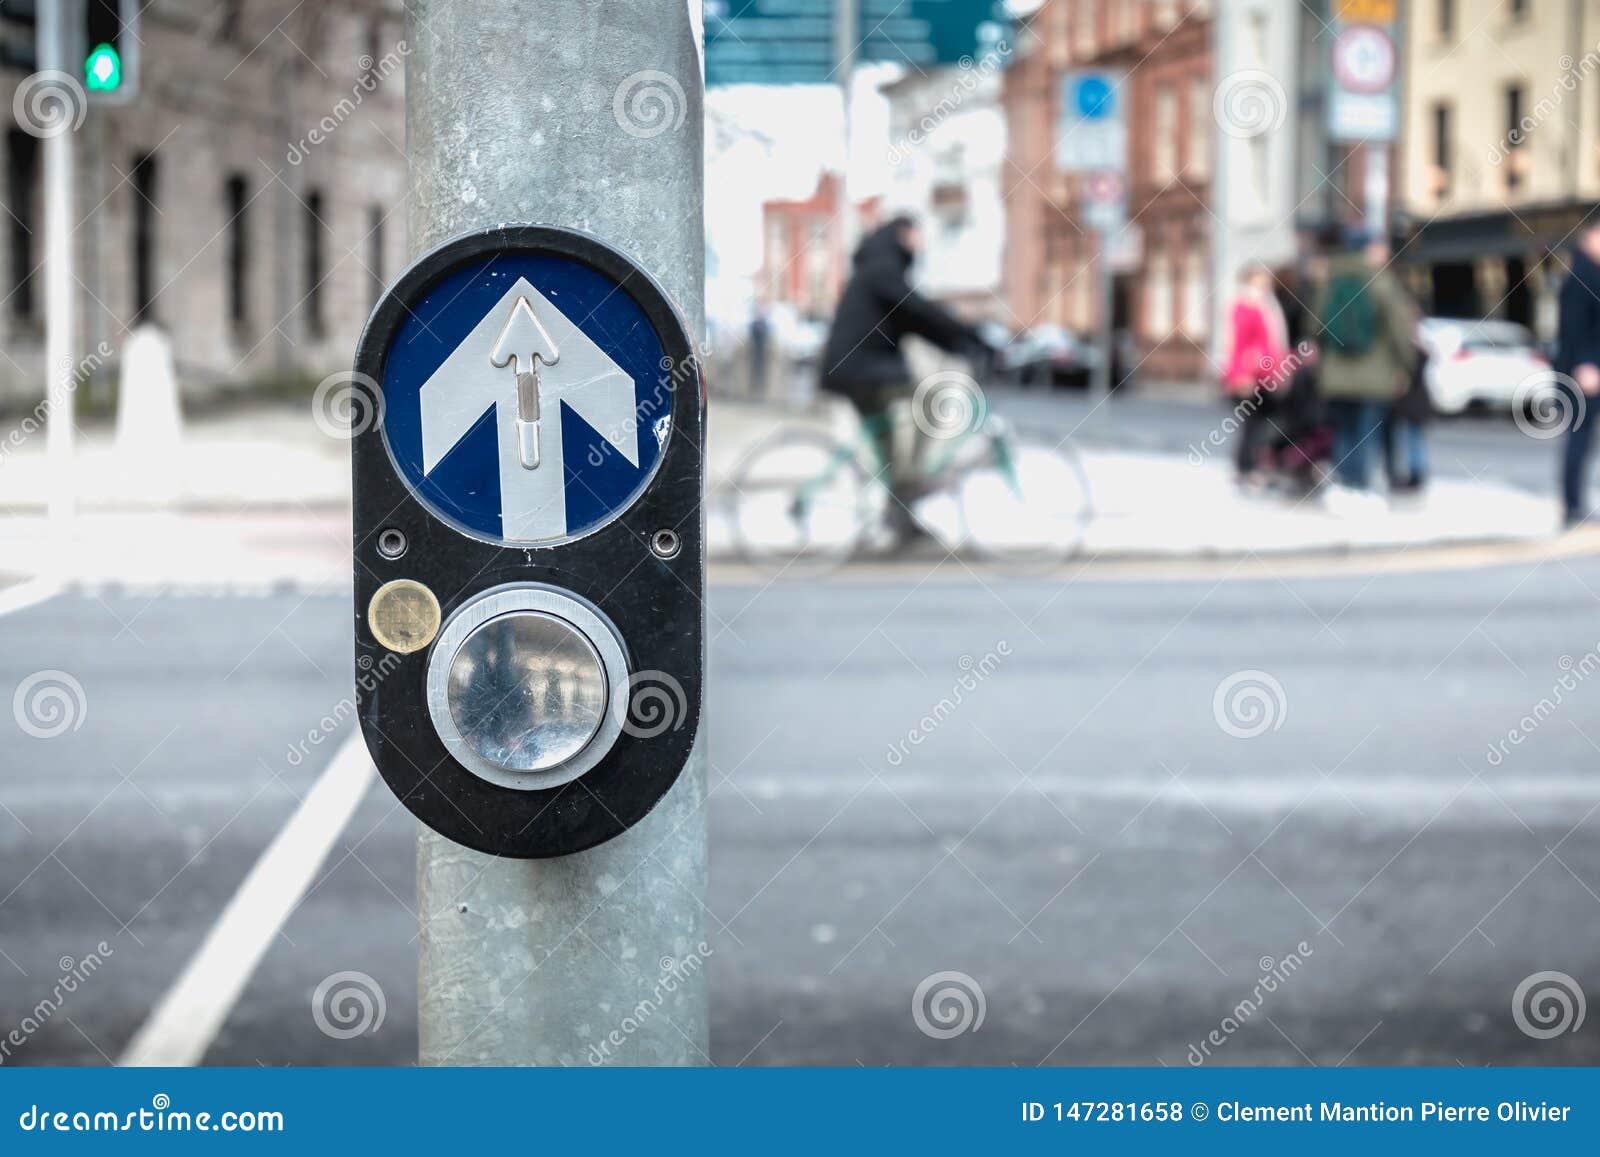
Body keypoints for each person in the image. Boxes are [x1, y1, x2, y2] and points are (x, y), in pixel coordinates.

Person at [819, 216, 987, 530]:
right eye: (917, 236)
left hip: (859, 370)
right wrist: (972, 337)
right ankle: (909, 484)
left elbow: (917, 322)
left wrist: (961, 342)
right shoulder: (883, 269)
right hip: (863, 371)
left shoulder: (877, 267)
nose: (921, 244)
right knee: (931, 398)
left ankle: (900, 516)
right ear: (902, 234)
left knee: (890, 445)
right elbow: (918, 310)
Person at [1310, 232, 1419, 491]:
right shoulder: (1381, 282)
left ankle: (1344, 484)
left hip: (1335, 375)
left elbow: (1315, 326)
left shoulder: (1330, 282)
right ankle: (1359, 487)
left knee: (1343, 432)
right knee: (1365, 433)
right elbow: (1397, 330)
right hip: (1375, 375)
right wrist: (1406, 365)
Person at [1222, 263, 1292, 484]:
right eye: (1260, 278)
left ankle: (1258, 463)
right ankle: (1247, 466)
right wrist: (1240, 374)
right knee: (1252, 423)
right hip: (1251, 376)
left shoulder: (1268, 305)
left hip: (1268, 374)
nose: (1265, 283)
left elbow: (1275, 342)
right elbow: (1237, 343)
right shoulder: (1245, 306)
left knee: (1265, 422)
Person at [1554, 218, 1600, 526]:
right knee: (1579, 436)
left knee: (1582, 437)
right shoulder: (1581, 275)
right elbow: (1576, 328)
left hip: (1588, 366)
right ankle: (1572, 504)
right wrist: (1586, 363)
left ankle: (1574, 502)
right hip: (1584, 370)